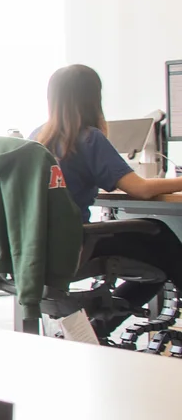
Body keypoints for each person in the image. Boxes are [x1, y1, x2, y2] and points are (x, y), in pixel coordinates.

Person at [30, 63, 182, 314]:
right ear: (93, 98)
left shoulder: (37, 137)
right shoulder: (88, 137)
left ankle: (95, 325)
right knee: (161, 235)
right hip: (73, 243)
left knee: (159, 268)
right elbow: (140, 189)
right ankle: (96, 324)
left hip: (40, 243)